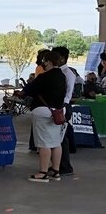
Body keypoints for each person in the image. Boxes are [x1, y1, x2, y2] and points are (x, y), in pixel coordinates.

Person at [20, 50, 67, 182]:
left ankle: (43, 172)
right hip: (57, 113)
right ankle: (55, 170)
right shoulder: (62, 76)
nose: (43, 64)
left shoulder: (44, 77)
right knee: (56, 143)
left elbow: (29, 90)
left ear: (50, 62)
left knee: (44, 143)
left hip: (43, 112)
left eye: (45, 61)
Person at [52, 46, 76, 176]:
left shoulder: (68, 74)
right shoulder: (56, 72)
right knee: (56, 138)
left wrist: (61, 107)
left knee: (62, 138)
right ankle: (57, 164)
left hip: (63, 107)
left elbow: (67, 93)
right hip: (57, 106)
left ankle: (65, 166)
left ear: (61, 58)